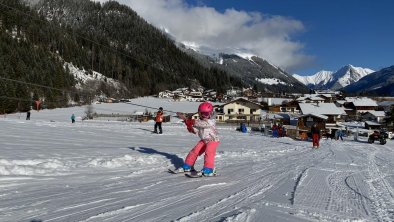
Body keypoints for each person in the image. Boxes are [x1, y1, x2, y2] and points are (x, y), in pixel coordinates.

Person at [176, 102, 220, 176]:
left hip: (213, 140)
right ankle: (188, 166)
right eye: (201, 113)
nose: (204, 116)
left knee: (209, 153)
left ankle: (209, 169)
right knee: (194, 151)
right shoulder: (200, 121)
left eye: (206, 114)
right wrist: (189, 125)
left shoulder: (211, 120)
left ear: (210, 113)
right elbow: (195, 131)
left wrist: (192, 121)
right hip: (204, 140)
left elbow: (204, 124)